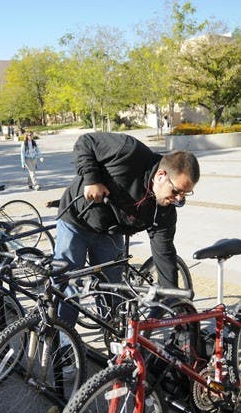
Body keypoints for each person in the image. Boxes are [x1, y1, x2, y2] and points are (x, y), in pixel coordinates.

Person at [54, 131, 200, 326]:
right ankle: (63, 346)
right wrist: (91, 179)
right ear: (161, 175)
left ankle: (112, 333)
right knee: (68, 283)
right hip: (77, 221)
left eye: (185, 195)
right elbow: (86, 142)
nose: (179, 199)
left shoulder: (164, 209)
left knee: (113, 288)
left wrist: (173, 298)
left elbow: (164, 253)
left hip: (111, 231)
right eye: (176, 191)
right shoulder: (129, 151)